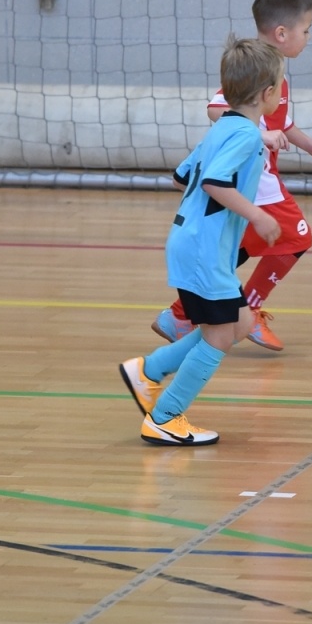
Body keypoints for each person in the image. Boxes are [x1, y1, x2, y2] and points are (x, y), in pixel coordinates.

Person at [150, 0, 312, 352]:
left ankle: (180, 314)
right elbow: (217, 107)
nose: (309, 37)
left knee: (244, 244)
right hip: (254, 179)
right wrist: (258, 135)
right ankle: (247, 313)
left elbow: (281, 124)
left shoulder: (277, 72)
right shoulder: (254, 67)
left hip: (257, 178)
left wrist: (310, 145)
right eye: (307, 29)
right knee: (297, 238)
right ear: (282, 33)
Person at [118, 38, 286, 447]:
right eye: (280, 86)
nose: (281, 93)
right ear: (266, 94)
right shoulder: (244, 136)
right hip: (204, 251)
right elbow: (212, 182)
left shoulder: (225, 128)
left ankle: (149, 371)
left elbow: (182, 176)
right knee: (220, 335)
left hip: (192, 243)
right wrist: (257, 214)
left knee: (241, 324)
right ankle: (165, 416)